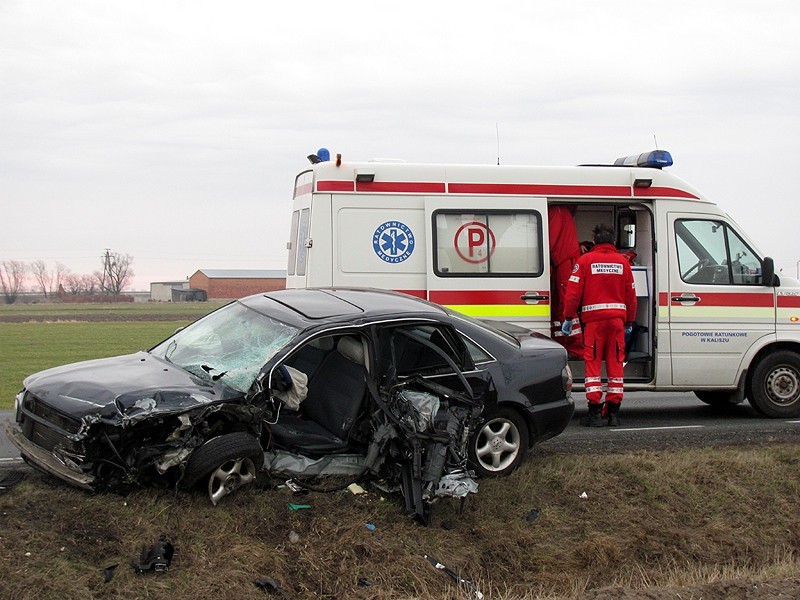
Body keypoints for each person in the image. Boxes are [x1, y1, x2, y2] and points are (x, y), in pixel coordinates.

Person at [561, 224, 637, 426]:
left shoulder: (585, 261)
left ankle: (594, 414)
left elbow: (573, 293)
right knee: (616, 365)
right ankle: (613, 414)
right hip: (617, 322)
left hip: (594, 323)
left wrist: (568, 317)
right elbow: (631, 296)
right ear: (612, 242)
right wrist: (629, 320)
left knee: (593, 366)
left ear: (595, 242)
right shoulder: (623, 262)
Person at [547, 205, 584, 358]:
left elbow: (549, 241)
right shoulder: (561, 212)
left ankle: (576, 348)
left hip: (564, 262)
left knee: (565, 304)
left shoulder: (557, 211)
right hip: (562, 261)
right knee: (559, 306)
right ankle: (563, 344)